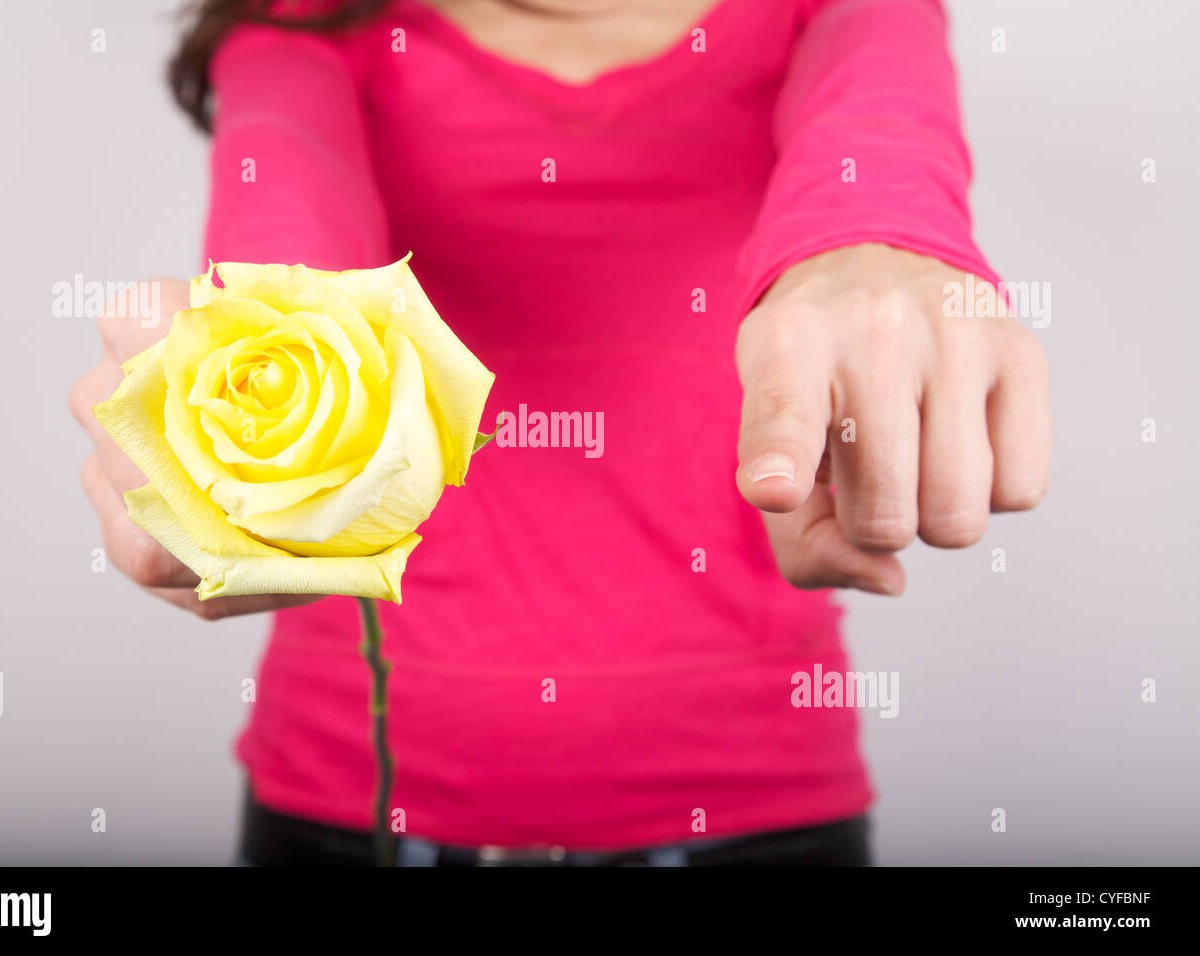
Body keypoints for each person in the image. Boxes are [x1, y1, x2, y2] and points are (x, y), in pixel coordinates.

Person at [69, 0, 1050, 866]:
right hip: (353, 799)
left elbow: (878, 148)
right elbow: (288, 232)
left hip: (755, 800)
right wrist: (213, 372)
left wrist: (875, 251)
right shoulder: (309, 23)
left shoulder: (836, 9)